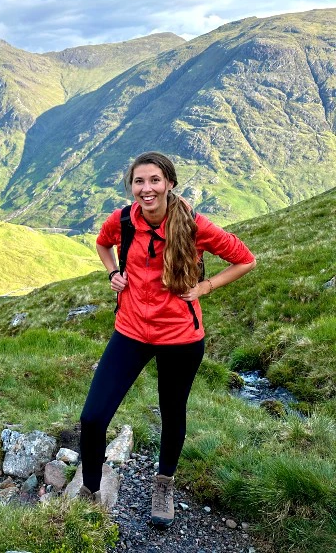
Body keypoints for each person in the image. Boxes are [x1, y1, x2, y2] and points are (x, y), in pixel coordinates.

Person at [77, 151, 256, 527]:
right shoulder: (123, 220)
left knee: (172, 412)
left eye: (154, 180)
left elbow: (246, 259)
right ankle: (90, 490)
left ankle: (164, 483)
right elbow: (101, 243)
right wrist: (114, 273)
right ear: (131, 187)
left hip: (180, 336)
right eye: (139, 182)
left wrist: (205, 286)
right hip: (130, 331)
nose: (147, 189)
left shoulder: (194, 226)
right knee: (93, 417)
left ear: (169, 183)